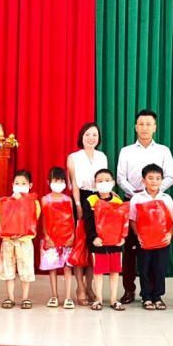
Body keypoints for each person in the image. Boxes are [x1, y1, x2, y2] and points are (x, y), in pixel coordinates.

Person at [116, 109, 173, 304]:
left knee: (154, 252)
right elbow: (120, 178)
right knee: (131, 251)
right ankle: (129, 290)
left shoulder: (163, 151)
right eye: (141, 124)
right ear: (135, 127)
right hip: (133, 204)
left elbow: (170, 177)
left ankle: (152, 293)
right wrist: (138, 196)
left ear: (155, 127)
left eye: (149, 124)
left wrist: (153, 193)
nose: (144, 128)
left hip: (158, 207)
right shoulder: (126, 151)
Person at [66, 122, 107, 305]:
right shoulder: (73, 157)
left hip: (98, 199)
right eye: (87, 134)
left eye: (94, 135)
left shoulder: (102, 156)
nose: (91, 138)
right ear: (81, 137)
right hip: (80, 197)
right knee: (80, 244)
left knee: (93, 244)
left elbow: (104, 180)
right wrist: (78, 205)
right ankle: (80, 287)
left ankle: (89, 286)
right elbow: (74, 183)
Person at [129, 164, 173, 310]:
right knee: (144, 268)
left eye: (158, 178)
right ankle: (146, 297)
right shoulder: (137, 198)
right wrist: (138, 235)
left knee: (160, 269)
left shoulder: (167, 199)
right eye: (150, 178)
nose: (154, 181)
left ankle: (157, 296)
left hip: (162, 240)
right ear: (143, 180)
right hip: (144, 240)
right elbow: (132, 220)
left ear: (161, 180)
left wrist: (169, 234)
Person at [84, 169, 128, 311]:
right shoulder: (91, 200)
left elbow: (123, 221)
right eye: (100, 181)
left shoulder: (117, 201)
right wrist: (93, 237)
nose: (104, 183)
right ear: (95, 184)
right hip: (98, 243)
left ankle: (114, 299)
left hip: (115, 243)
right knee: (98, 271)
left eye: (107, 180)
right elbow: (88, 222)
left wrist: (122, 237)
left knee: (115, 271)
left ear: (113, 183)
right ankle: (99, 299)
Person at [0, 169, 40, 309]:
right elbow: (1, 220)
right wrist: (8, 234)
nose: (20, 186)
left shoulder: (34, 202)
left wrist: (23, 233)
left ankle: (25, 297)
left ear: (30, 185)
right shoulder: (6, 201)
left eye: (24, 183)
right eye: (17, 183)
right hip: (8, 241)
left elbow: (34, 220)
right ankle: (10, 297)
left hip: (25, 241)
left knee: (26, 269)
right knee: (8, 269)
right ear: (12, 185)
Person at [40, 167, 75, 309]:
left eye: (61, 181)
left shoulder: (68, 199)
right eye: (55, 180)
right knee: (52, 267)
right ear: (49, 182)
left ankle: (68, 297)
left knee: (67, 267)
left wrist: (72, 235)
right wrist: (47, 236)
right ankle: (54, 295)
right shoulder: (45, 199)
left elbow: (72, 219)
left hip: (66, 238)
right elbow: (43, 219)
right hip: (51, 238)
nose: (58, 183)